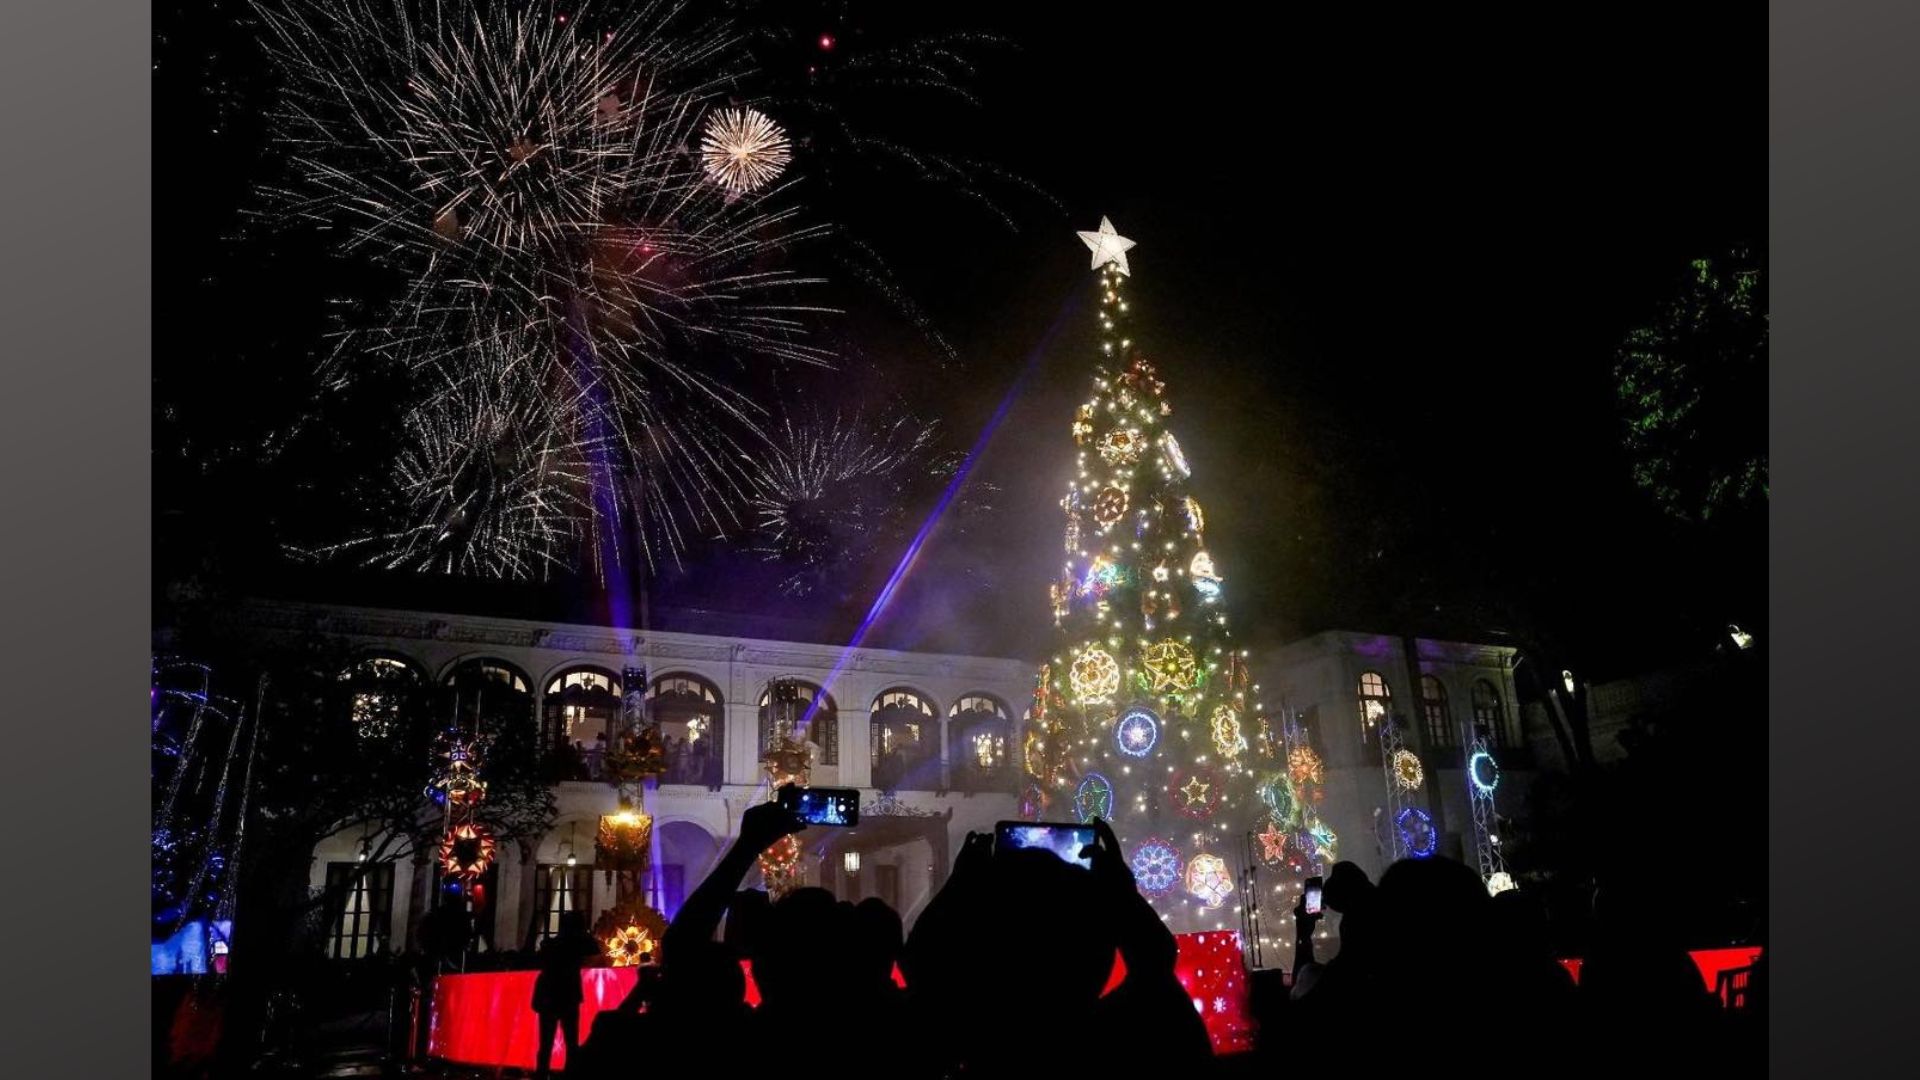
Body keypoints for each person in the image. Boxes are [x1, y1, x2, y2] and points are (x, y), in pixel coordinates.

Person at [530, 911, 600, 1080]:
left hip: (548, 994)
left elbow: (539, 963)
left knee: (545, 1043)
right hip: (569, 993)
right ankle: (570, 1075)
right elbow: (595, 952)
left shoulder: (551, 944)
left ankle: (541, 1074)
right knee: (571, 1042)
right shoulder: (580, 943)